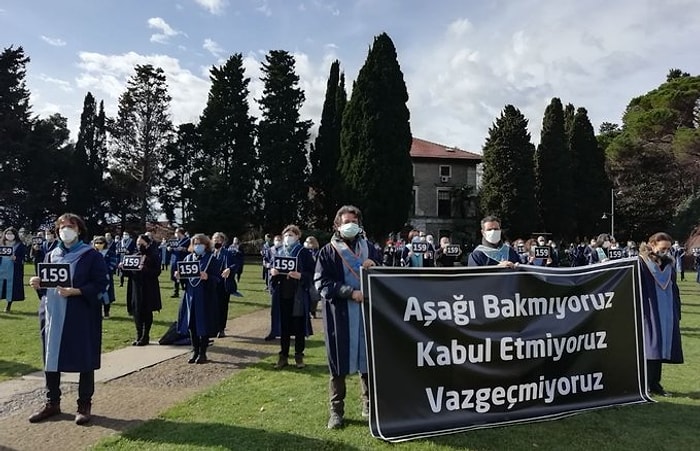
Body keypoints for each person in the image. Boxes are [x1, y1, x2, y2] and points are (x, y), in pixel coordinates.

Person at [28, 213, 108, 425]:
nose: (65, 229)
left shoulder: (91, 255)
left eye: (70, 226)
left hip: (79, 314)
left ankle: (84, 404)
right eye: (62, 226)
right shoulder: (51, 254)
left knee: (83, 356)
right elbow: (46, 287)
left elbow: (101, 284)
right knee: (50, 357)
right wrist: (38, 284)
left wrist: (78, 291)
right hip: (53, 313)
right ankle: (52, 402)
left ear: (79, 229)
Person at [316, 205, 380, 429]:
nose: (350, 225)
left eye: (354, 221)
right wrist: (350, 292)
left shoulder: (370, 249)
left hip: (367, 314)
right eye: (345, 222)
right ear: (337, 225)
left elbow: (384, 279)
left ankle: (370, 405)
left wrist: (375, 267)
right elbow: (322, 284)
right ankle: (336, 411)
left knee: (369, 362)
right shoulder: (327, 252)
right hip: (340, 315)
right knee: (338, 364)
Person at [638, 232, 684, 396]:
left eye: (668, 249)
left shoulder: (668, 264)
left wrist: (676, 310)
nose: (666, 252)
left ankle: (655, 383)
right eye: (662, 248)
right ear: (652, 245)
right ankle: (646, 384)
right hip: (649, 309)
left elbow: (674, 287)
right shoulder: (641, 263)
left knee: (661, 347)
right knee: (651, 346)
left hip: (666, 310)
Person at [269, 225, 314, 369]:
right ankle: (283, 356)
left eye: (292, 234)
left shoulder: (304, 252)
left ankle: (299, 356)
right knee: (284, 327)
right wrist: (273, 272)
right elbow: (271, 267)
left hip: (298, 295)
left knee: (299, 326)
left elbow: (312, 272)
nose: (289, 237)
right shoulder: (279, 251)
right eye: (287, 234)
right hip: (282, 294)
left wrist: (301, 276)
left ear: (298, 236)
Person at [176, 234, 221, 364]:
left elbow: (217, 278)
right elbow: (185, 279)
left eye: (200, 243)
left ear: (206, 245)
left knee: (204, 324)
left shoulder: (211, 259)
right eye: (195, 243)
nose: (197, 246)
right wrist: (179, 276)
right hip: (190, 295)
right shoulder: (188, 258)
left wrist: (208, 277)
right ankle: (194, 351)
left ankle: (203, 353)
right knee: (192, 324)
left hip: (205, 296)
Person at [125, 234, 162, 346]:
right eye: (137, 243)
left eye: (141, 243)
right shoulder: (134, 255)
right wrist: (123, 268)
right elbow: (129, 273)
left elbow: (157, 272)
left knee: (146, 311)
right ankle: (138, 334)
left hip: (148, 287)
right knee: (136, 312)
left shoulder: (153, 255)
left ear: (147, 243)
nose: (139, 245)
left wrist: (145, 269)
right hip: (135, 287)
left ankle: (145, 335)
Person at [212, 232, 239, 338]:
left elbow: (236, 264)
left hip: (223, 284)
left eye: (218, 239)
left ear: (223, 241)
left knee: (222, 307)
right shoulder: (210, 253)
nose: (216, 241)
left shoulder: (227, 253)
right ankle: (213, 327)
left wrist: (230, 269)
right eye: (214, 239)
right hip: (211, 284)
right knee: (212, 307)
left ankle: (221, 328)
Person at [0, 227, 26, 312]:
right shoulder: (1, 243)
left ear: (15, 235)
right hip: (1, 268)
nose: (9, 235)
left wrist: (16, 258)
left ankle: (8, 305)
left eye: (11, 234)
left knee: (10, 288)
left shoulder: (20, 245)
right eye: (8, 234)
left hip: (14, 269)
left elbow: (23, 257)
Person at [92, 236, 118, 318]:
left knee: (106, 295)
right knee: (95, 295)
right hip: (94, 278)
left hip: (106, 278)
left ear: (105, 244)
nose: (98, 245)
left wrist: (104, 270)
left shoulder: (110, 253)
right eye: (97, 243)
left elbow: (113, 264)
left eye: (100, 243)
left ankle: (106, 311)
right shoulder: (92, 253)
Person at [263, 235, 283, 340]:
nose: (277, 242)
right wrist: (269, 266)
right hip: (273, 280)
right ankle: (274, 330)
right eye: (276, 240)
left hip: (285, 281)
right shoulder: (270, 250)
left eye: (279, 240)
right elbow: (265, 261)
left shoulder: (285, 250)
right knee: (274, 309)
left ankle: (284, 331)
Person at [169, 228, 190, 298]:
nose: (175, 234)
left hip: (182, 260)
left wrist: (184, 249)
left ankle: (185, 290)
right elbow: (172, 249)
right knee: (175, 277)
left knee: (183, 277)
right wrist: (169, 249)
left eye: (176, 232)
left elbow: (190, 250)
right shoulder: (175, 241)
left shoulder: (187, 240)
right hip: (174, 260)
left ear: (180, 233)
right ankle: (176, 292)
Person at [304, 235, 322, 317]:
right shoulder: (304, 252)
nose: (307, 244)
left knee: (314, 295)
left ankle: (313, 310)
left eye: (309, 242)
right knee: (306, 294)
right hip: (307, 275)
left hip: (315, 275)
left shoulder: (318, 252)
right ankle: (307, 310)